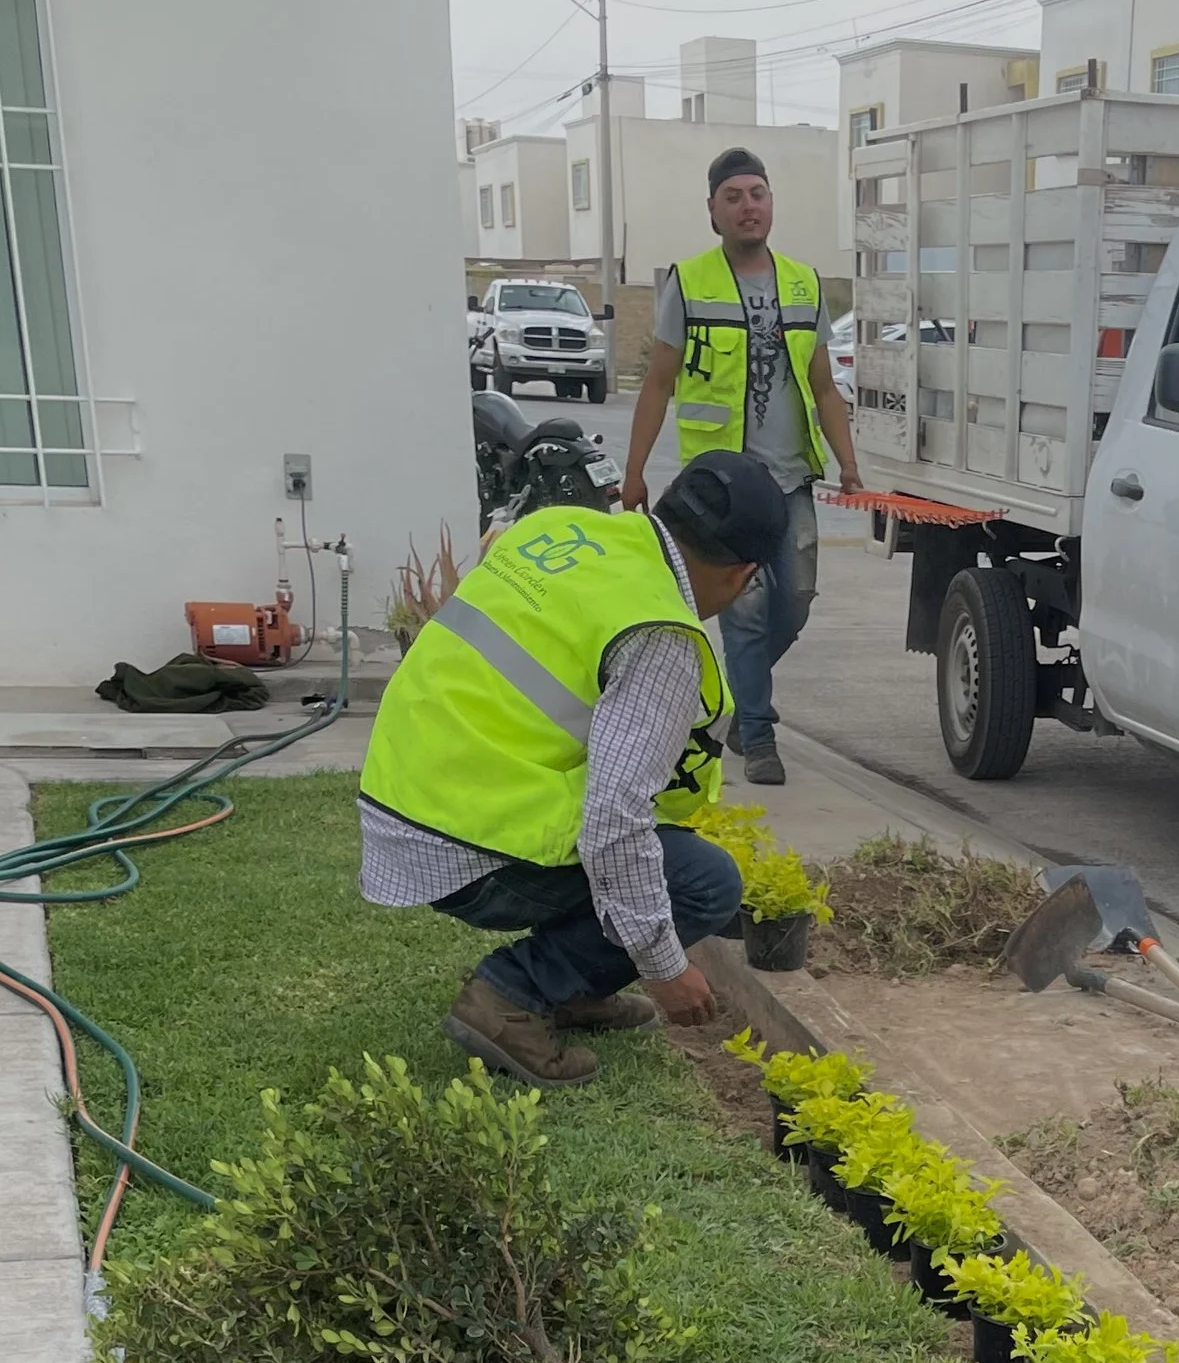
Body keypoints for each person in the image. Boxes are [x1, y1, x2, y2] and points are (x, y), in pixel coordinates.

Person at [355, 453, 787, 1089]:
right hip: (466, 838)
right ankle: (511, 995)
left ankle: (576, 988)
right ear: (743, 573)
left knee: (655, 855)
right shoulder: (659, 631)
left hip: (403, 796)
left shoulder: (563, 529)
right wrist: (665, 966)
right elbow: (615, 823)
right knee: (702, 882)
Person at [622, 144, 861, 786]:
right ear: (713, 212)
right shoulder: (688, 281)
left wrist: (849, 462)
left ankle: (739, 688)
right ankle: (757, 736)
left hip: (790, 479)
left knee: (797, 600)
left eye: (756, 193)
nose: (747, 206)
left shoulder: (805, 283)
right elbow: (658, 383)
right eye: (733, 197)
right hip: (722, 488)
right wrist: (635, 470)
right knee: (747, 612)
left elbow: (826, 386)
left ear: (770, 203)